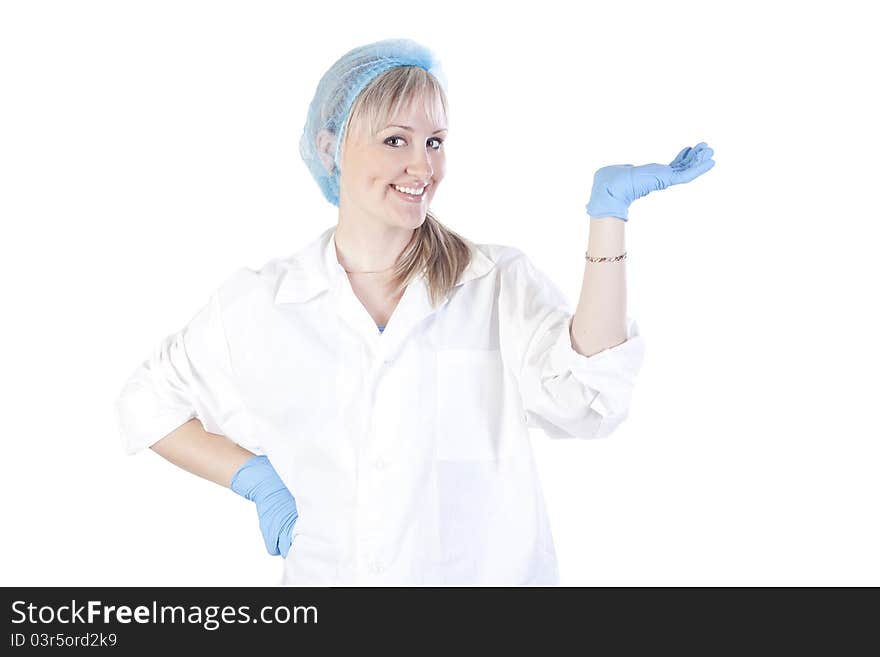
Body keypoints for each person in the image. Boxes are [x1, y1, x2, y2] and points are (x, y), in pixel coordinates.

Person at [114, 38, 715, 586]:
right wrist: (256, 480)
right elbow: (145, 402)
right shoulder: (261, 303)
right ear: (329, 146)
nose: (423, 167)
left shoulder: (494, 283)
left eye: (434, 142)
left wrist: (607, 219)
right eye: (395, 140)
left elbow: (589, 401)